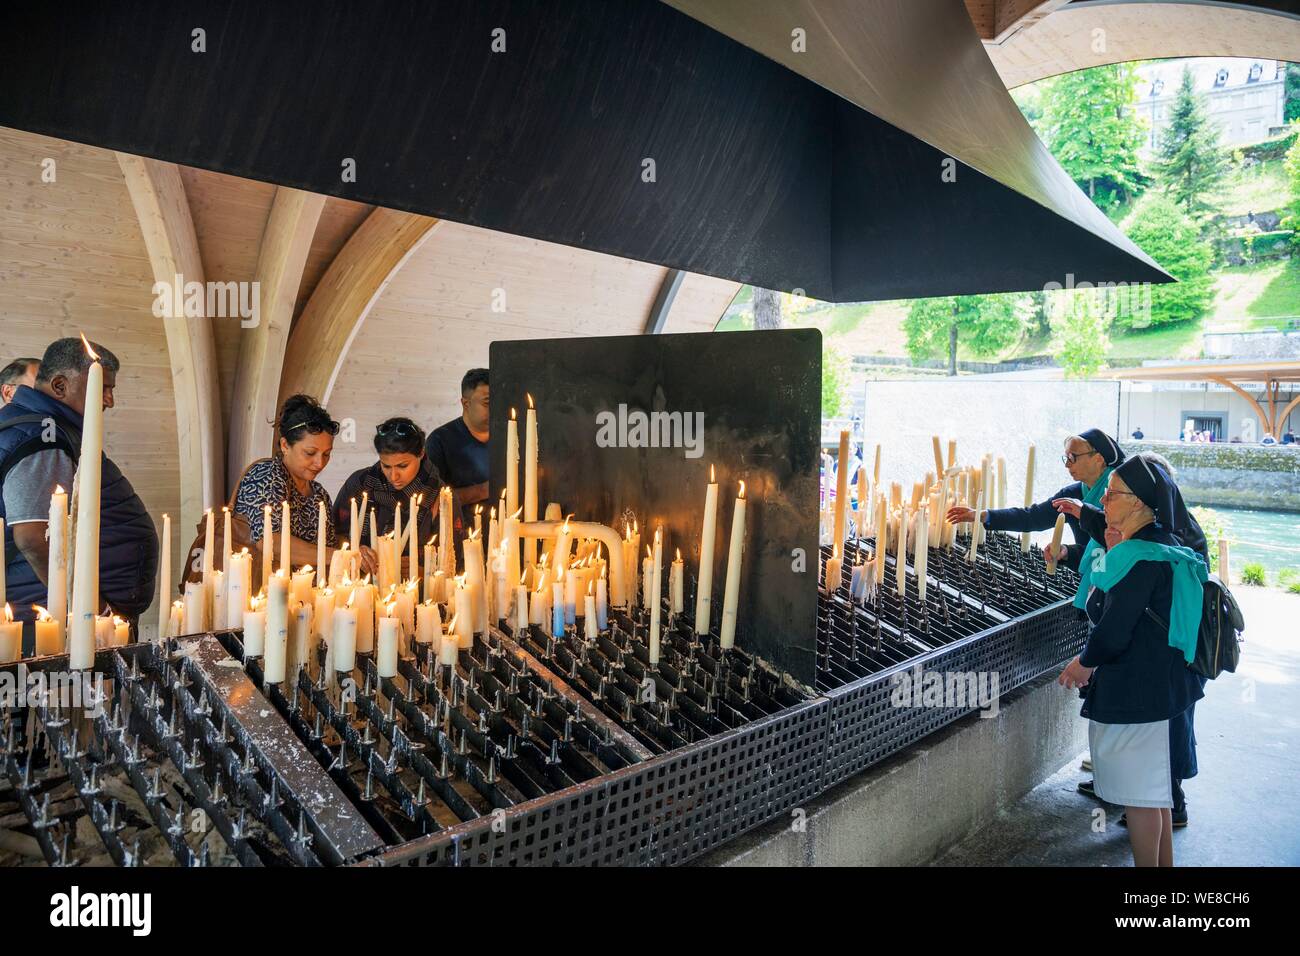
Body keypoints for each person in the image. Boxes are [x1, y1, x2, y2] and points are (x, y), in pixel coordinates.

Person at [1057, 456, 1207, 866]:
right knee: (1154, 796)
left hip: (1136, 692)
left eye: (1113, 493)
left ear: (1140, 503)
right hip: (1164, 686)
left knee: (1141, 800)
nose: (1104, 498)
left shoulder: (1139, 558)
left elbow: (1115, 629)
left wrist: (1082, 663)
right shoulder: (1165, 543)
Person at [0, 339, 158, 647]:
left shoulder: (47, 426)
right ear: (60, 385)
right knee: (72, 696)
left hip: (73, 615)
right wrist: (93, 612)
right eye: (102, 388)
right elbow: (35, 538)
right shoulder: (45, 436)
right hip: (65, 624)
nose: (110, 401)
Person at [945, 428, 1124, 575]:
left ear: (1098, 458)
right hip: (1090, 578)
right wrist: (983, 515)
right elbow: (1032, 517)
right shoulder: (1073, 494)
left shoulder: (1126, 495)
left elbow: (1124, 543)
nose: (1067, 465)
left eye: (1072, 458)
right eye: (1066, 458)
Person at [232, 395, 347, 576]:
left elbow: (328, 547)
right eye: (310, 453)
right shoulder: (268, 476)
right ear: (285, 445)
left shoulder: (320, 494)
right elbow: (270, 542)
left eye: (326, 454)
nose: (320, 463)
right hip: (263, 594)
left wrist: (355, 550)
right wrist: (340, 556)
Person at [335, 417, 444, 571]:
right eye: (386, 466)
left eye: (403, 466)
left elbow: (453, 557)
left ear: (421, 453)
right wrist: (353, 551)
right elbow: (333, 535)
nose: (394, 476)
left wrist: (424, 572)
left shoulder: (438, 495)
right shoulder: (360, 483)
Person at [425, 368, 489, 536]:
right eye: (487, 403)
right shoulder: (440, 441)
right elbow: (432, 499)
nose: (496, 408)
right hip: (460, 536)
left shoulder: (511, 436)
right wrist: (482, 490)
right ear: (465, 403)